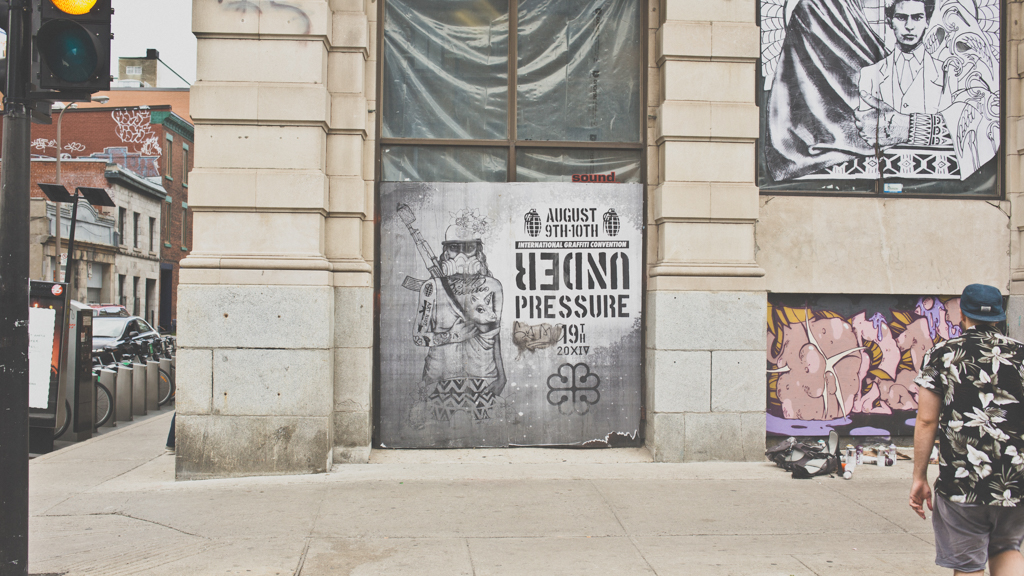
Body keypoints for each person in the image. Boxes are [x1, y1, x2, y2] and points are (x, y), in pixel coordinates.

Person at [911, 284, 1024, 575]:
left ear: (961, 314)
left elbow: (926, 421)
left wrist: (919, 477)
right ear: (999, 316)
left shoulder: (942, 354)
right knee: (1006, 549)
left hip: (962, 483)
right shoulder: (1021, 355)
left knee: (967, 565)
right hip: (1014, 481)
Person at [856, 0, 998, 178]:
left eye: (917, 18)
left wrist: (913, 127)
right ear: (889, 21)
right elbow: (867, 134)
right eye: (901, 18)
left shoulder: (949, 72)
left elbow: (977, 125)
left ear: (927, 21)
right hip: (887, 174)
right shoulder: (870, 74)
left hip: (936, 179)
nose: (909, 26)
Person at [410, 222, 506, 424]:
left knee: (483, 427)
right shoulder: (431, 287)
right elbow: (418, 337)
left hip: (483, 377)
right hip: (440, 378)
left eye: (469, 248)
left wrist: (501, 376)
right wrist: (452, 336)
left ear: (478, 251)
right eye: (454, 248)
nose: (461, 255)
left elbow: (494, 334)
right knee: (438, 428)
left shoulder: (492, 286)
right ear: (446, 252)